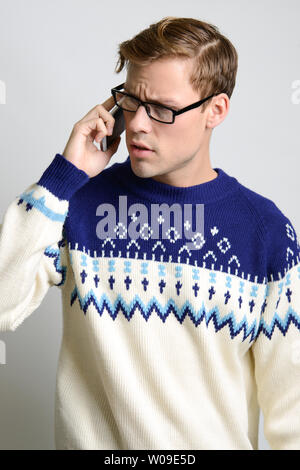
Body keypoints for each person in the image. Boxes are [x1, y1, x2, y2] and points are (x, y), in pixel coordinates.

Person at [0, 16, 299, 450]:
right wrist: (65, 177)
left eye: (161, 108)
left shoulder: (265, 233)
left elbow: (292, 415)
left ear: (216, 110)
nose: (138, 123)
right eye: (130, 100)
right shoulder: (77, 205)